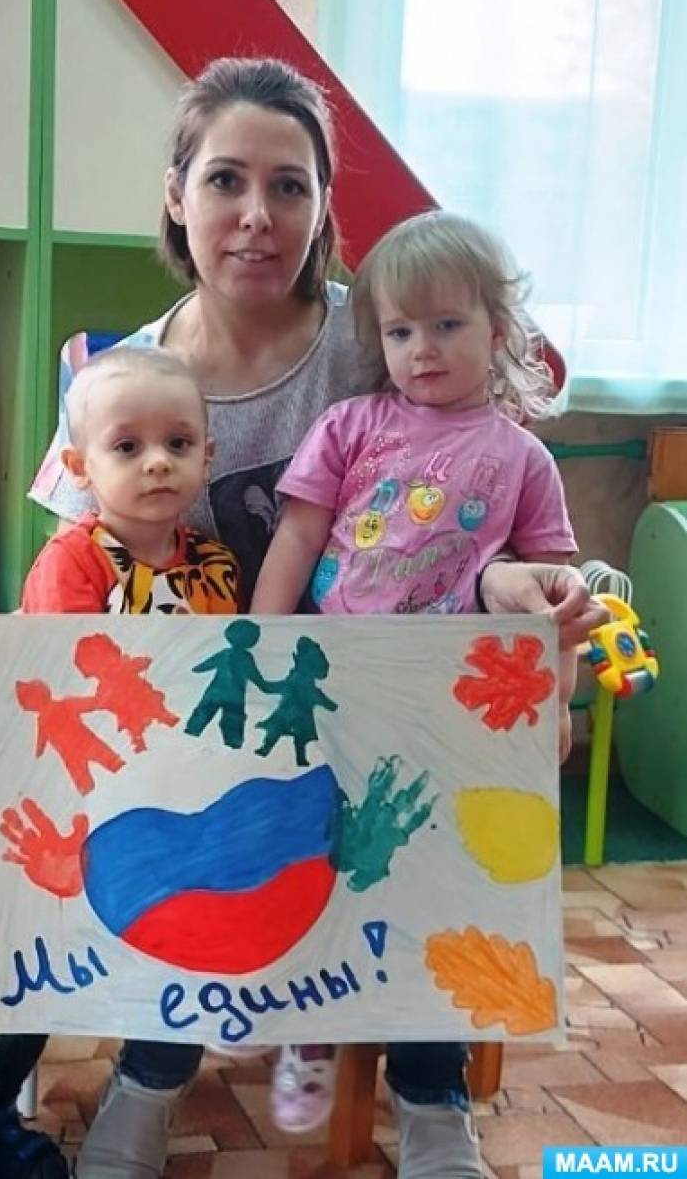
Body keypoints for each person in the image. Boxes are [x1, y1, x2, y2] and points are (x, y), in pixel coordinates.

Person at [0, 58, 605, 1179]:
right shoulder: (120, 375)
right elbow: (59, 594)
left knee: (420, 846)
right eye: (226, 179)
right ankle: (119, 1084)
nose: (256, 215)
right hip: (180, 726)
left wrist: (537, 645)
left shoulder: (384, 333)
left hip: (369, 706)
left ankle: (434, 1103)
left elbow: (493, 509)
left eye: (290, 186)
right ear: (175, 194)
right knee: (112, 850)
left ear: (324, 207)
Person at [252, 209, 579, 1142]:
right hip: (333, 695)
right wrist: (260, 643)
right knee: (316, 867)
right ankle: (309, 1029)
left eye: (446, 324)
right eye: (399, 331)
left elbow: (553, 591)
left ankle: (432, 1094)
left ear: (496, 331)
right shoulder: (348, 424)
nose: (421, 348)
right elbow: (297, 536)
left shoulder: (522, 457)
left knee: (438, 891)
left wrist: (555, 701)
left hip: (447, 714)